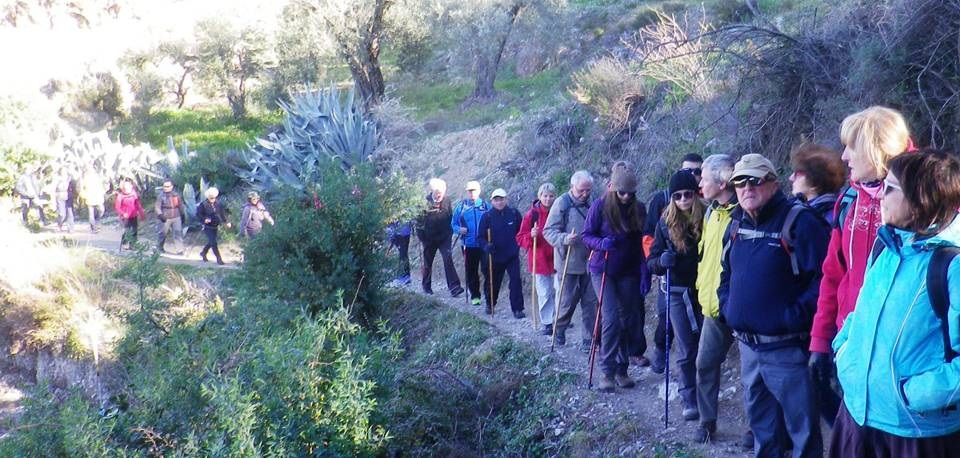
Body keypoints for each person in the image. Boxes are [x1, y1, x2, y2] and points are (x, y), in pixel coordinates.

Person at [831, 151, 960, 456]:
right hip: (857, 418)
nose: (880, 197)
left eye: (890, 189)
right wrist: (845, 352)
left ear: (921, 199)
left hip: (916, 434)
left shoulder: (951, 265)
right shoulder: (886, 246)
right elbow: (861, 314)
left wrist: (913, 395)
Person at [718, 153, 830, 457]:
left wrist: (792, 316)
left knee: (802, 435)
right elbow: (726, 271)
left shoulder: (800, 222)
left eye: (755, 180)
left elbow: (826, 279)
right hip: (748, 348)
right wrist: (727, 305)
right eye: (739, 182)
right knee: (762, 431)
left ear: (773, 184)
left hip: (786, 349)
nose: (746, 188)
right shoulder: (736, 223)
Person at [808, 106, 912, 429]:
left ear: (873, 148)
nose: (844, 157)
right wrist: (820, 341)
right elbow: (834, 275)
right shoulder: (850, 200)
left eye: (851, 147)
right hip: (853, 347)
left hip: (902, 358)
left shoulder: (925, 198)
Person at [692, 154, 751, 445]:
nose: (700, 184)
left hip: (741, 308)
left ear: (722, 181)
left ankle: (755, 429)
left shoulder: (746, 214)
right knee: (704, 364)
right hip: (713, 307)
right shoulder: (710, 212)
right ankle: (706, 423)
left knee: (751, 374)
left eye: (704, 178)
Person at [582, 166, 647, 392]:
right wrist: (601, 244)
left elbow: (641, 244)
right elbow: (586, 235)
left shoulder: (638, 209)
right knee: (611, 318)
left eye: (630, 192)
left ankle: (622, 369)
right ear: (613, 189)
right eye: (622, 192)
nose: (626, 196)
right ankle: (607, 372)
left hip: (628, 270)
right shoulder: (599, 207)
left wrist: (644, 272)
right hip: (602, 268)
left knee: (627, 319)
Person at [648, 170, 705, 421]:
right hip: (676, 292)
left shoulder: (709, 217)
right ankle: (688, 395)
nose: (683, 199)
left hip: (703, 290)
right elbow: (652, 261)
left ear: (695, 194)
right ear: (672, 198)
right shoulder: (664, 222)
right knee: (686, 345)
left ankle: (704, 392)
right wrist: (661, 260)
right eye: (678, 195)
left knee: (704, 346)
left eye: (688, 194)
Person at [543, 171, 598, 349]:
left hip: (591, 263)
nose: (585, 194)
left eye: (588, 190)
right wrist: (565, 239)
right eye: (582, 190)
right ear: (572, 186)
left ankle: (588, 339)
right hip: (569, 262)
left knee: (591, 303)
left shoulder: (594, 202)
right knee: (567, 301)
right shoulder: (562, 203)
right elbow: (548, 231)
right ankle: (559, 329)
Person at [517, 183, 557, 334]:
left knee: (561, 290)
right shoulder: (531, 215)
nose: (548, 199)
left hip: (558, 257)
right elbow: (520, 237)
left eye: (551, 196)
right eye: (545, 196)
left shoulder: (559, 211)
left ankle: (560, 318)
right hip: (539, 259)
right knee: (545, 292)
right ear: (539, 196)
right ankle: (547, 322)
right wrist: (530, 235)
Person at [477, 188, 524, 318]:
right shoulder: (487, 217)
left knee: (515, 281)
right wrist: (486, 246)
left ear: (506, 199)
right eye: (496, 200)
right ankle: (490, 303)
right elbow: (480, 237)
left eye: (501, 199)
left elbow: (521, 232)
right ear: (492, 201)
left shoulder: (514, 214)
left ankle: (518, 309)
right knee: (493, 282)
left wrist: (520, 245)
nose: (499, 202)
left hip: (512, 255)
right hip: (495, 256)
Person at [416, 178, 464, 297]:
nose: (439, 196)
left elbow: (450, 217)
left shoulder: (447, 201)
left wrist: (451, 232)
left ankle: (454, 287)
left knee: (448, 258)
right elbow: (418, 223)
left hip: (444, 237)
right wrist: (423, 239)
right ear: (432, 192)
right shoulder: (424, 203)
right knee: (428, 262)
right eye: (437, 194)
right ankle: (426, 286)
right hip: (429, 238)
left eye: (441, 194)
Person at [452, 181, 490, 305]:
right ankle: (475, 296)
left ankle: (488, 295)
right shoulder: (461, 207)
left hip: (484, 244)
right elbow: (453, 224)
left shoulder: (486, 206)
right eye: (470, 191)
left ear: (479, 191)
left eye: (474, 190)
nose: (472, 193)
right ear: (467, 192)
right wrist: (459, 230)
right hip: (468, 244)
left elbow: (493, 220)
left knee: (486, 269)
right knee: (471, 270)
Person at [789, 143, 847, 222]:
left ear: (815, 182)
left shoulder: (830, 219)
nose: (791, 178)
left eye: (798, 174)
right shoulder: (799, 209)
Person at [196, 187, 230, 265]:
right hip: (207, 227)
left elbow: (222, 214)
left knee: (211, 241)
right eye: (211, 197)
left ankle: (203, 252)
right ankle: (219, 259)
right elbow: (198, 214)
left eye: (214, 197)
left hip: (215, 226)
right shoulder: (203, 205)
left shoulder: (218, 204)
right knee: (214, 243)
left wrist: (226, 222)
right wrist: (204, 219)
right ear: (208, 197)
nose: (212, 199)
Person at [155, 179, 186, 254]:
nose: (166, 188)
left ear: (172, 187)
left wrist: (183, 214)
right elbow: (157, 207)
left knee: (178, 233)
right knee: (162, 233)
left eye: (168, 186)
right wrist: (160, 214)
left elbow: (180, 205)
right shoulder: (161, 196)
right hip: (165, 217)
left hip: (176, 216)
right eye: (165, 186)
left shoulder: (176, 195)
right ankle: (159, 247)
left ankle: (180, 250)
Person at [114, 179, 145, 250]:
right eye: (125, 186)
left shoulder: (134, 194)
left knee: (134, 230)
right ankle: (124, 242)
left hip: (133, 215)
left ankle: (133, 244)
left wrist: (142, 214)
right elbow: (117, 207)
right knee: (127, 230)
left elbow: (137, 204)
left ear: (131, 186)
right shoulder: (120, 196)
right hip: (125, 216)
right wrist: (122, 213)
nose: (127, 188)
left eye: (128, 186)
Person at [80, 166, 106, 233]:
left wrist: (103, 192)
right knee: (91, 214)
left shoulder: (97, 177)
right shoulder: (84, 178)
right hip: (89, 197)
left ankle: (97, 221)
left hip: (98, 197)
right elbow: (81, 188)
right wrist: (83, 194)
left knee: (101, 210)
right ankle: (93, 228)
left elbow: (101, 185)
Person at [386, 221, 412, 285]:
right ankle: (404, 276)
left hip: (401, 233)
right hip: (403, 231)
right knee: (403, 254)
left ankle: (404, 277)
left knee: (403, 254)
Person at [53, 167, 76, 233]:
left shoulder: (70, 178)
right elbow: (53, 188)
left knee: (70, 213)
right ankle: (59, 224)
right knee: (62, 214)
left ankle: (71, 228)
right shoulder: (57, 178)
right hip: (60, 196)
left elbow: (75, 185)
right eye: (62, 170)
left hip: (69, 196)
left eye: (65, 170)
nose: (64, 172)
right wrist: (53, 197)